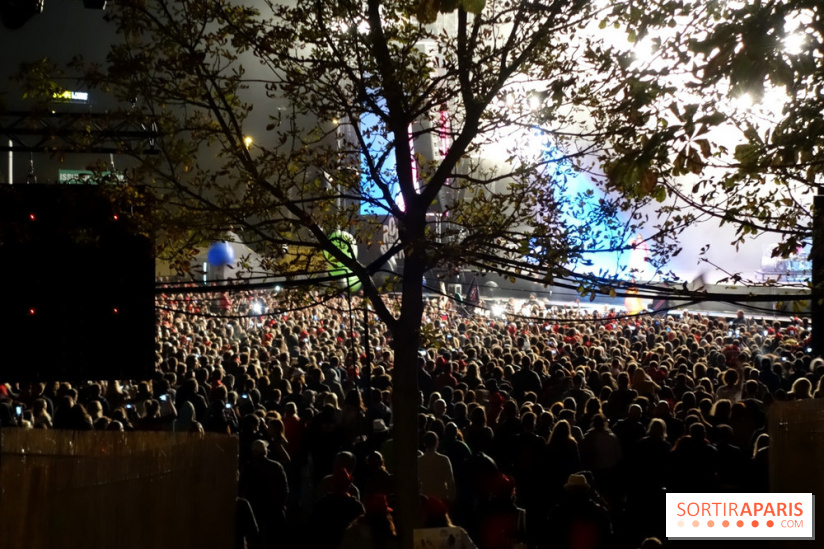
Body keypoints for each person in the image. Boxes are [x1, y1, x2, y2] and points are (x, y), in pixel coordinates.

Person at [418, 431, 457, 506]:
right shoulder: (444, 459)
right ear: (437, 443)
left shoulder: (419, 460)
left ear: (424, 443)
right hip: (440, 498)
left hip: (425, 497)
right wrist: (450, 499)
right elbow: (450, 482)